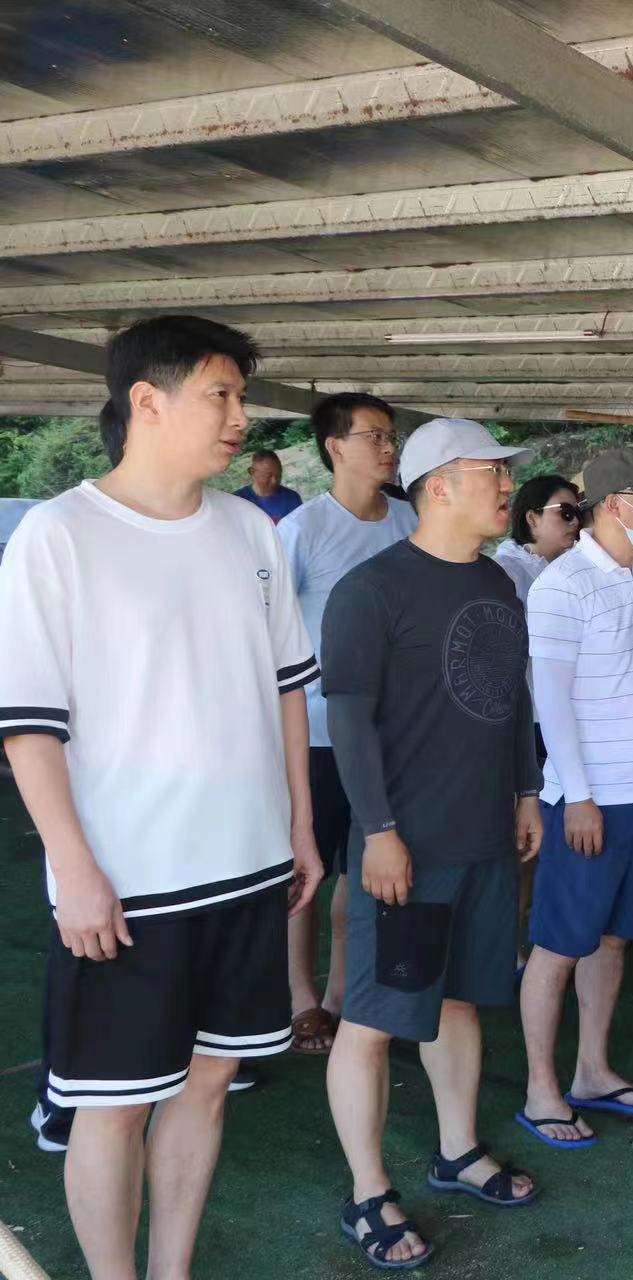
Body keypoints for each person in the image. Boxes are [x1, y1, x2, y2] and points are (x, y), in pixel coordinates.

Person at [0, 314, 324, 1280]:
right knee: (113, 1103)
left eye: (241, 396)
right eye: (221, 394)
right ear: (147, 401)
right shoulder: (59, 536)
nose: (241, 417)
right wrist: (74, 869)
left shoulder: (249, 530)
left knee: (211, 1082)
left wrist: (302, 827)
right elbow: (29, 726)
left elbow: (287, 690)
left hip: (249, 867)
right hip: (129, 885)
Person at [322, 418, 544, 1269]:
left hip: (485, 833)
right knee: (373, 1021)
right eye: (492, 472)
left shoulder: (498, 581)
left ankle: (457, 1151)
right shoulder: (371, 590)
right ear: (440, 487)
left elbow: (511, 702)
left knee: (460, 1001)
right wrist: (378, 832)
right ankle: (366, 1191)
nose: (507, 486)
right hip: (405, 846)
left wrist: (526, 792)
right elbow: (349, 723)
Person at [517, 451, 633, 1148]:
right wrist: (580, 796)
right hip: (589, 798)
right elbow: (550, 698)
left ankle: (592, 1070)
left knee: (613, 937)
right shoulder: (560, 584)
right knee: (559, 944)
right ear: (616, 504)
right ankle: (541, 1091)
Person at [278, 392, 419, 1058]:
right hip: (315, 733)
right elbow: (266, 632)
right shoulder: (302, 529)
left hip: (394, 735)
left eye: (392, 437)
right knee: (307, 870)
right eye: (374, 437)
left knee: (367, 869)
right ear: (335, 447)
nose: (389, 448)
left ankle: (342, 997)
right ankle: (300, 1000)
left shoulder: (412, 521)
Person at [495, 474, 583, 603]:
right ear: (532, 518)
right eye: (566, 512)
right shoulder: (504, 573)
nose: (575, 521)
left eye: (578, 513)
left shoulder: (580, 558)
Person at [235, 448, 303, 523]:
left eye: (278, 475)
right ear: (253, 472)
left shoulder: (291, 498)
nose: (274, 481)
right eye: (268, 476)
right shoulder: (237, 500)